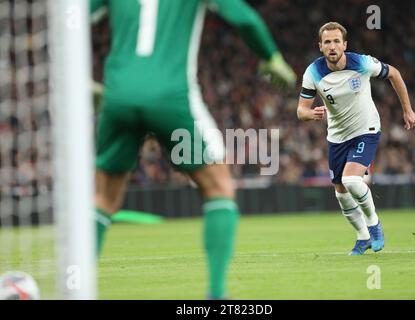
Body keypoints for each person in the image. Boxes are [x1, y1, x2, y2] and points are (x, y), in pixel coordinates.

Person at [90, 0, 297, 299]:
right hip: (171, 96)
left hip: (118, 95)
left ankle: (76, 289)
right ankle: (216, 295)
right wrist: (271, 57)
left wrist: (78, 80)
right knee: (219, 187)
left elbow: (70, 20)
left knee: (102, 198)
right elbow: (245, 19)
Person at [297, 22, 415, 255]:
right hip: (337, 137)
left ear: (344, 44)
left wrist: (407, 110)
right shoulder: (312, 72)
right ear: (320, 46)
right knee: (340, 193)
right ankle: (362, 236)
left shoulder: (362, 63)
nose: (332, 46)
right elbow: (301, 110)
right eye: (327, 42)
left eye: (336, 41)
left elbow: (394, 73)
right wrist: (311, 114)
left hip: (366, 129)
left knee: (352, 181)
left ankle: (374, 225)